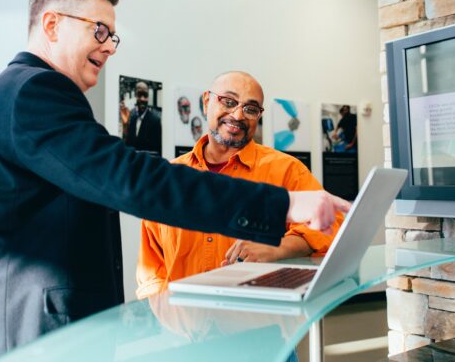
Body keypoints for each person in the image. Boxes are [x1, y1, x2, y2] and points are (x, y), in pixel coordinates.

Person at [0, 0, 349, 362]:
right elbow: (132, 179)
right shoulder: (34, 91)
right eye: (98, 30)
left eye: (112, 35)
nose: (110, 46)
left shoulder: (23, 92)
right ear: (51, 25)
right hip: (21, 336)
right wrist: (283, 205)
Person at [137, 72, 344, 299]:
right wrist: (165, 317)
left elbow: (332, 226)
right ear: (207, 101)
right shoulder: (170, 179)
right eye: (229, 101)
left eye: (251, 109)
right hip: (184, 326)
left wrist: (278, 247)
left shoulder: (287, 170)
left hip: (258, 322)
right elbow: (151, 270)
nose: (237, 115)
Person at [120, 80, 162, 155]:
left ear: (148, 97)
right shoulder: (132, 118)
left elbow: (157, 152)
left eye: (145, 95)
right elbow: (127, 145)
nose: (142, 99)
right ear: (135, 96)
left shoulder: (155, 121)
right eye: (139, 95)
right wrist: (125, 125)